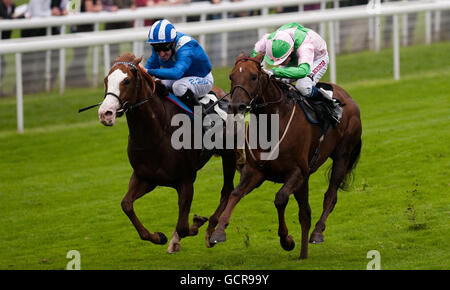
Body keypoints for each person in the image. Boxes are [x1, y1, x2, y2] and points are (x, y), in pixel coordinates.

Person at [252, 22, 342, 123]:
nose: (278, 63)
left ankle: (330, 103)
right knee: (275, 83)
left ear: (290, 51)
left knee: (303, 86)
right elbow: (255, 55)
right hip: (295, 57)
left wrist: (275, 71)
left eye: (281, 60)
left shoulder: (305, 46)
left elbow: (303, 71)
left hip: (316, 59)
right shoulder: (269, 39)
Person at [144, 19, 213, 112]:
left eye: (164, 48)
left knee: (179, 86)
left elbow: (177, 73)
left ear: (173, 43)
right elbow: (149, 67)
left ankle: (201, 118)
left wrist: (148, 72)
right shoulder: (161, 45)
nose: (161, 54)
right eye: (157, 48)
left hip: (203, 78)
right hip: (181, 77)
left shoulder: (186, 46)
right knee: (157, 85)